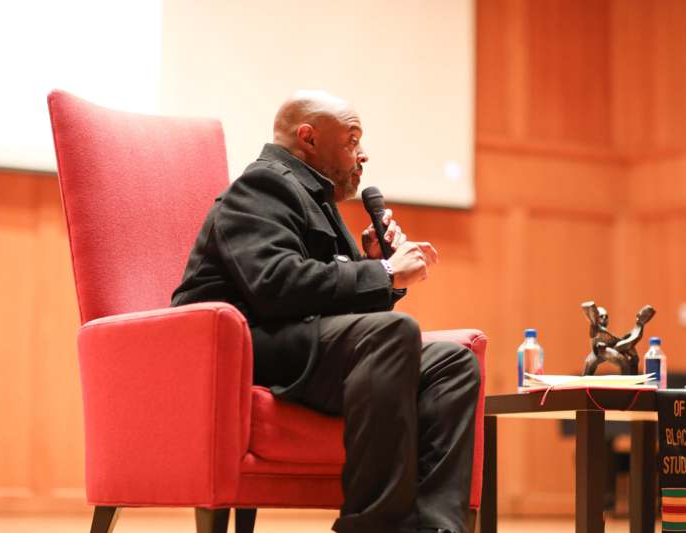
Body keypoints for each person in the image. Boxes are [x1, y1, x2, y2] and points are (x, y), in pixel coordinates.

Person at [172, 90, 481, 533]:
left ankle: (436, 526)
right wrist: (385, 272)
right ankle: (373, 525)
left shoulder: (314, 196)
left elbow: (325, 296)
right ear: (308, 138)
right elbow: (275, 285)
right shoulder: (264, 185)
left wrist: (370, 264)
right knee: (392, 333)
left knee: (452, 361)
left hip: (298, 340)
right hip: (244, 345)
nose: (363, 155)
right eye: (352, 140)